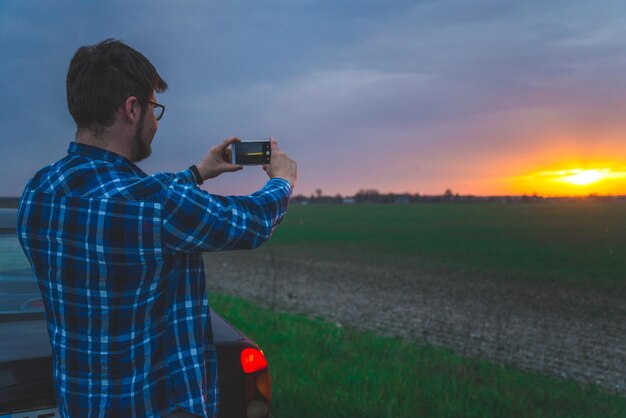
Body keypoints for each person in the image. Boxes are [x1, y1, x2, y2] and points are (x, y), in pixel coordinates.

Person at [16, 38, 297, 418]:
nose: (156, 121)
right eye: (154, 108)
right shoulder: (155, 205)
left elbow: (125, 198)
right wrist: (282, 182)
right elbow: (250, 223)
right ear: (132, 109)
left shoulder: (38, 192)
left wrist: (197, 173)